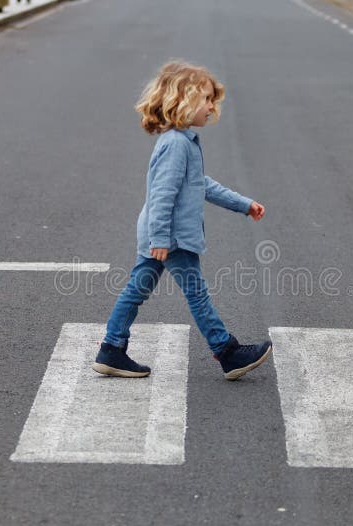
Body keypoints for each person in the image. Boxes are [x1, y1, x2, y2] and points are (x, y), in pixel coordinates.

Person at [92, 59, 273, 381]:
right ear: (183, 101)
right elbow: (162, 194)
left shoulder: (182, 141)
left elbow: (201, 184)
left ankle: (112, 349)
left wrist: (243, 204)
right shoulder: (177, 144)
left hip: (162, 233)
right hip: (172, 236)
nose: (211, 106)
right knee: (196, 292)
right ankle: (227, 351)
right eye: (205, 99)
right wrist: (161, 238)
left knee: (137, 289)